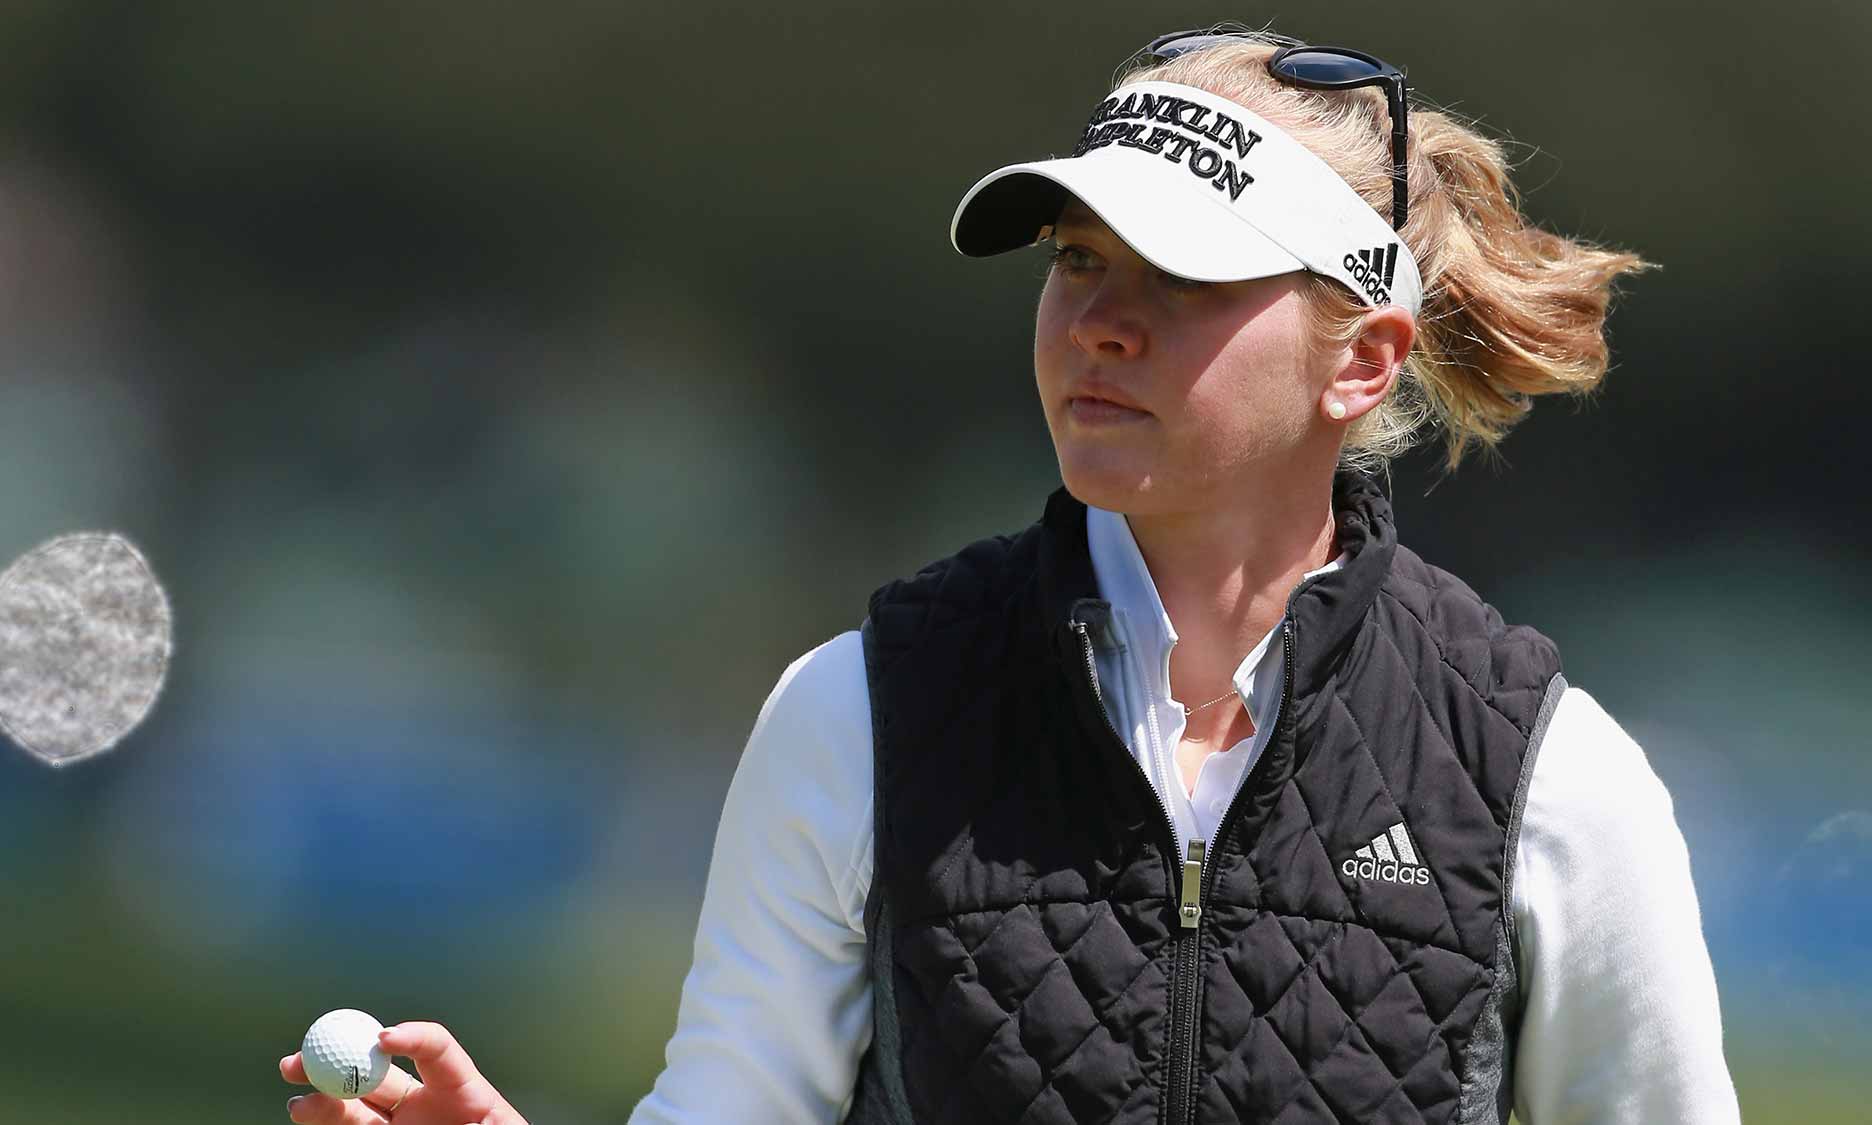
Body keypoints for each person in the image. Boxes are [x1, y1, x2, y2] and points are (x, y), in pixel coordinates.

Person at [280, 25, 1739, 1125]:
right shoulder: (863, 707)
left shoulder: (1551, 777)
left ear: (1359, 356)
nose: (1101, 321)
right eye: (1076, 261)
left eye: (1183, 275)